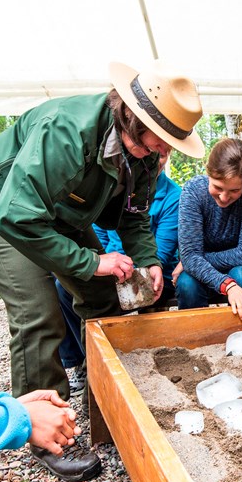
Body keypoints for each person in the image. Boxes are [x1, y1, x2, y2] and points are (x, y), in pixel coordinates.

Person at [0, 60, 203, 481]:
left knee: (103, 295)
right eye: (162, 141)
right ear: (134, 117)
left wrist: (145, 258)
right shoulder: (66, 133)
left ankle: (104, 387)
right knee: (38, 311)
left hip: (58, 212)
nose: (165, 152)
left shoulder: (144, 155)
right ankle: (43, 428)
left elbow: (133, 214)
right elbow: (16, 218)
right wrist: (93, 260)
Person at [56, 148, 182, 385]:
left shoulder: (173, 196)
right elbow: (100, 237)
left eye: (163, 156)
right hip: (112, 267)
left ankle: (119, 362)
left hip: (149, 272)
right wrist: (103, 265)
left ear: (168, 155)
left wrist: (117, 267)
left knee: (97, 296)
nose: (156, 161)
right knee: (63, 286)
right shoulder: (117, 188)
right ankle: (81, 360)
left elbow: (162, 251)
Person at [173, 138, 242, 321]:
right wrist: (227, 285)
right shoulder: (193, 191)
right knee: (187, 283)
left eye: (234, 191)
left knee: (241, 274)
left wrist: (192, 260)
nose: (224, 197)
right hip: (206, 266)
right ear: (208, 172)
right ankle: (195, 342)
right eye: (217, 187)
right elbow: (190, 255)